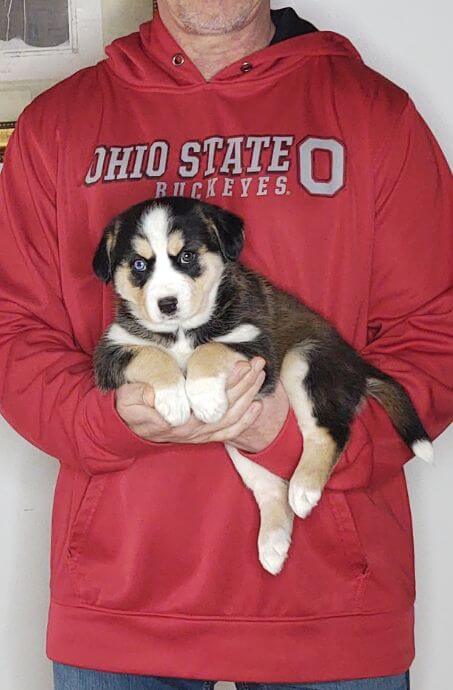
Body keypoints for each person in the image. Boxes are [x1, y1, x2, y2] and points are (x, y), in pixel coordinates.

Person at [0, 2, 451, 689]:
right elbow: (13, 330)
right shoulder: (60, 124)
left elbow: (435, 333)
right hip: (121, 613)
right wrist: (107, 420)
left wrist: (297, 435)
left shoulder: (372, 115)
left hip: (327, 610)